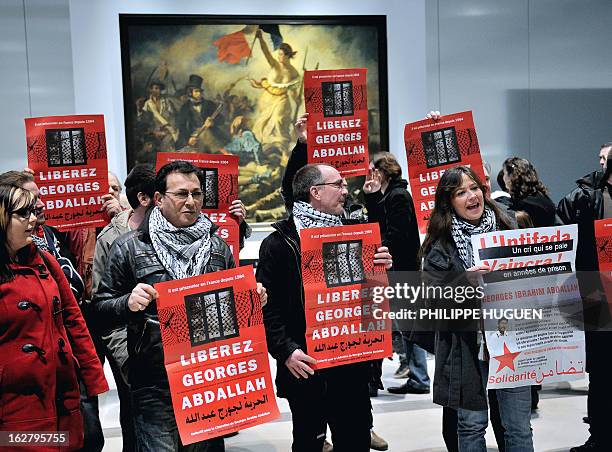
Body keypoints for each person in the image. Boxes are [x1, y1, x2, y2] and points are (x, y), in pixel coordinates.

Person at [93, 160, 266, 451]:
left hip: (208, 381)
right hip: (154, 382)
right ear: (159, 199)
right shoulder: (130, 247)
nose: (191, 202)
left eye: (197, 194)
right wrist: (128, 303)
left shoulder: (217, 248)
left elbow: (231, 314)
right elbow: (100, 310)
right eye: (181, 194)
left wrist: (253, 300)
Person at [256, 162, 393, 452]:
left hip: (352, 362)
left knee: (355, 440)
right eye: (339, 185)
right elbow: (267, 307)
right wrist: (286, 351)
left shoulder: (355, 233)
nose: (346, 190)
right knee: (309, 442)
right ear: (315, 192)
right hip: (305, 364)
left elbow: (370, 293)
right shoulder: (279, 243)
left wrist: (382, 267)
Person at [420, 165, 533, 452]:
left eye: (474, 188)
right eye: (461, 192)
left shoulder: (509, 227)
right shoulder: (439, 245)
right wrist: (464, 280)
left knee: (518, 427)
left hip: (512, 339)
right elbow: (432, 302)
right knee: (471, 425)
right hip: (465, 346)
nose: (472, 196)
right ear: (449, 202)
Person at [0, 182, 108, 450]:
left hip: (61, 394)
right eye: (23, 213)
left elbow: (73, 320)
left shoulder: (46, 260)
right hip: (15, 402)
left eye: (32, 211)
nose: (33, 219)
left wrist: (93, 376)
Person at [362, 152, 430, 395]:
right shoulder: (392, 195)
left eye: (373, 169)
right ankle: (415, 377)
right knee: (405, 325)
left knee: (408, 326)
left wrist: (375, 249)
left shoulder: (398, 196)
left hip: (400, 270)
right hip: (399, 268)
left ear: (381, 172)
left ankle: (419, 378)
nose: (370, 174)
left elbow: (395, 234)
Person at [558, 153, 612, 452]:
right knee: (602, 372)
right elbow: (558, 235)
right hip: (598, 294)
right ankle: (601, 436)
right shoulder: (585, 197)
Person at [250, 28, 300, 154]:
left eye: (282, 54)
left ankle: (279, 144)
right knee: (263, 123)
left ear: (288, 55)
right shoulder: (275, 65)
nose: (279, 57)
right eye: (278, 54)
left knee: (278, 119)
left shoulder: (294, 73)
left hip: (282, 99)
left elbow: (293, 92)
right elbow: (266, 52)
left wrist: (297, 99)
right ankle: (266, 146)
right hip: (267, 98)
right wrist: (261, 39)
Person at [176, 74, 227, 151]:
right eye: (196, 91)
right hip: (193, 137)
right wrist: (188, 139)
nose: (199, 94)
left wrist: (213, 122)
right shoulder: (184, 108)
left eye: (200, 91)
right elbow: (181, 126)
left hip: (211, 136)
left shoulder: (209, 104)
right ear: (190, 92)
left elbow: (222, 119)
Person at [502, 157, 557, 227]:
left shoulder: (524, 205)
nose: (503, 177)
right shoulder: (543, 197)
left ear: (511, 177)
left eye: (504, 173)